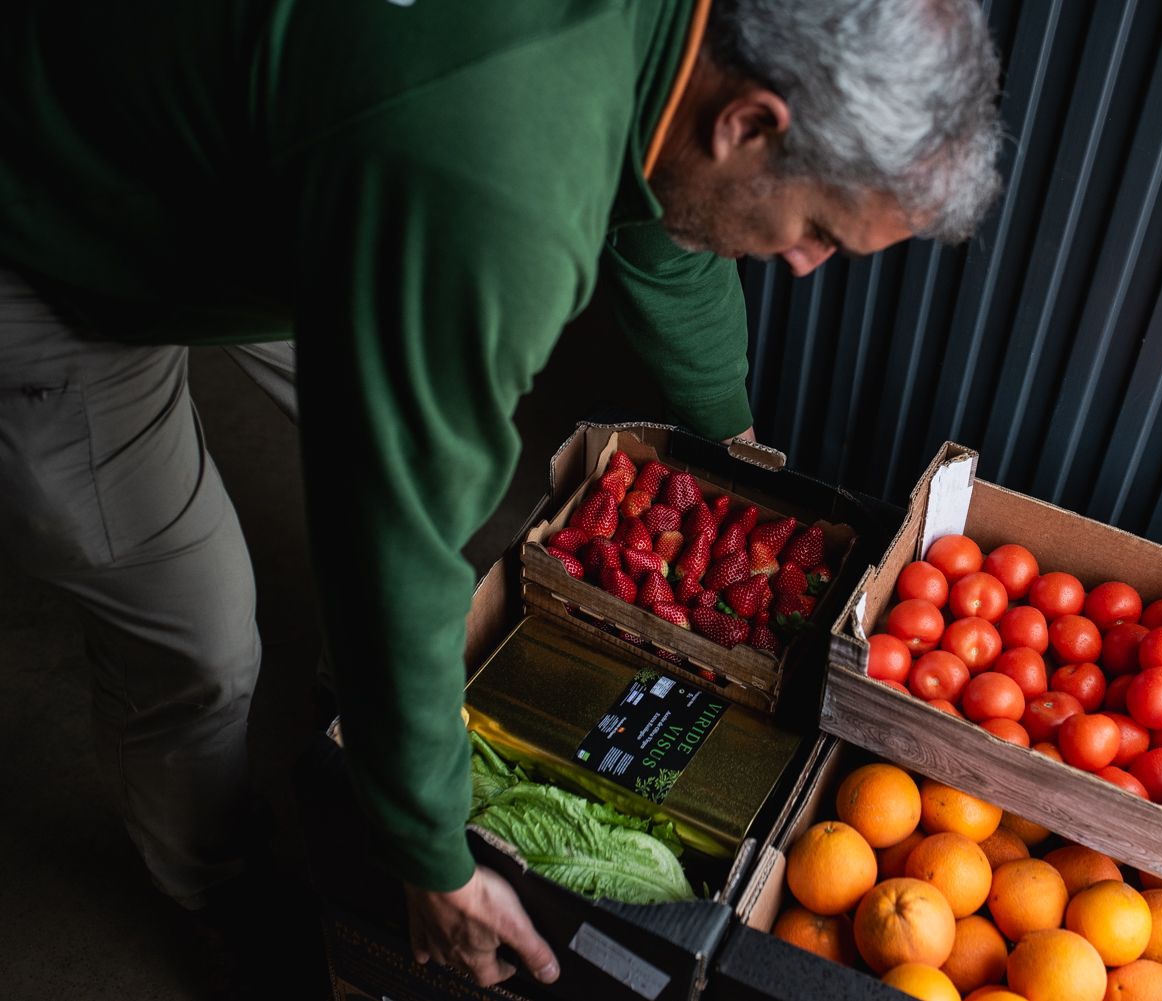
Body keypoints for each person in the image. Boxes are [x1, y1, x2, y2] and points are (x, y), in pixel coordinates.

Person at [0, 0, 1003, 988]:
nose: (803, 262)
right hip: (58, 219)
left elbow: (670, 225)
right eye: (819, 228)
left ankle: (360, 712)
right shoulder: (492, 183)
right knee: (200, 635)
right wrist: (427, 854)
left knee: (423, 444)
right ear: (748, 122)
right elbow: (392, 522)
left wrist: (734, 443)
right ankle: (221, 885)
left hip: (283, 138)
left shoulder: (694, 48)